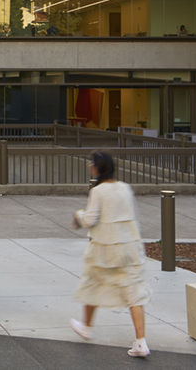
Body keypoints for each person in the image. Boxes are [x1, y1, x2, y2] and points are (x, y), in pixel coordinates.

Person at [69, 150, 152, 358]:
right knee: (133, 291)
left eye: (92, 163)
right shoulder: (125, 188)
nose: (90, 166)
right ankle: (141, 342)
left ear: (98, 168)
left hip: (105, 249)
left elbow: (89, 220)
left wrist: (77, 215)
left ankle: (86, 326)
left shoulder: (98, 191)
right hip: (129, 247)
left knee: (93, 282)